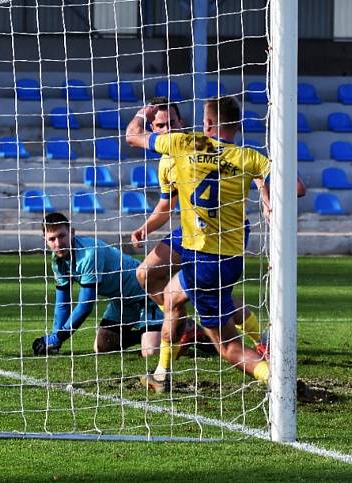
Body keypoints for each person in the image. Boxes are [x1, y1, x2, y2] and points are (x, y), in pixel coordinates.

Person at [126, 96, 271, 392]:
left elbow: (245, 163)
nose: (168, 130)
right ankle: (172, 354)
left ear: (185, 123)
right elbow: (167, 207)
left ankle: (258, 343)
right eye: (161, 125)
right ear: (155, 128)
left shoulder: (191, 145)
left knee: (190, 299)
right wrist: (145, 227)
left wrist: (264, 194)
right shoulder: (170, 161)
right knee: (147, 276)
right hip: (190, 230)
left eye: (172, 124)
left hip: (216, 233)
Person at [32, 212, 163, 357]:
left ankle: (180, 327)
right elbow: (63, 303)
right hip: (121, 301)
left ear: (72, 233)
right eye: (52, 239)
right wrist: (55, 339)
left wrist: (58, 337)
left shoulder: (89, 253)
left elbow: (86, 305)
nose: (58, 243)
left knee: (150, 352)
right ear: (45, 241)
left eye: (62, 236)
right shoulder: (57, 261)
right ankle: (154, 332)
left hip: (145, 293)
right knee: (102, 346)